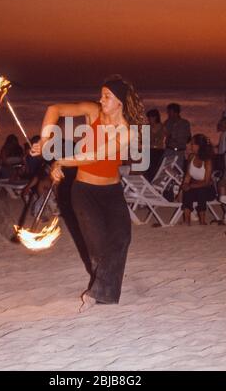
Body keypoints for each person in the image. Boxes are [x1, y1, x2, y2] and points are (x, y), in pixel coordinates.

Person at [31, 75, 146, 312]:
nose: (100, 99)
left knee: (121, 237)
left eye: (106, 96)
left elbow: (95, 156)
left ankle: (101, 292)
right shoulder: (92, 113)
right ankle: (99, 293)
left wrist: (60, 162)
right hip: (84, 191)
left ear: (120, 102)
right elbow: (55, 109)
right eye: (101, 94)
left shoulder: (127, 132)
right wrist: (44, 141)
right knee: (97, 245)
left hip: (112, 192)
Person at [181, 134, 215, 225]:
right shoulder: (191, 157)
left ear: (199, 146)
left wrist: (191, 185)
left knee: (201, 190)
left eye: (192, 144)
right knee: (188, 190)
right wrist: (184, 185)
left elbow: (207, 182)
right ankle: (187, 220)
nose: (190, 146)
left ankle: (202, 220)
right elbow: (188, 176)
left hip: (207, 189)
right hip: (194, 187)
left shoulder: (207, 161)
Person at [163, 103, 191, 169]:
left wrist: (176, 138)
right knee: (165, 169)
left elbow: (188, 138)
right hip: (169, 150)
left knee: (178, 171)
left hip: (179, 151)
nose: (168, 113)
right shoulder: (167, 122)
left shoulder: (185, 123)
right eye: (168, 112)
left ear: (176, 112)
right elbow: (166, 135)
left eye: (170, 112)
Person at [145, 108, 165, 181]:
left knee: (154, 168)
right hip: (149, 149)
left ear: (155, 117)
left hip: (157, 150)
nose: (149, 119)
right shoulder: (147, 126)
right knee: (147, 168)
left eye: (150, 117)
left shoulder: (161, 126)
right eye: (148, 117)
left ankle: (152, 181)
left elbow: (160, 139)